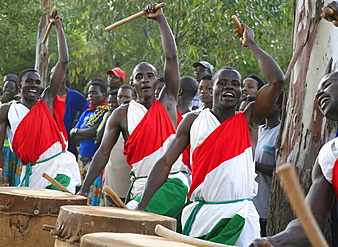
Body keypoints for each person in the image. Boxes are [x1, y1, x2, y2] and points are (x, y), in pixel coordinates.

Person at [135, 21, 285, 246]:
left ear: (240, 92)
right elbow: (166, 162)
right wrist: (142, 205)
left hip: (239, 215)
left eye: (235, 84)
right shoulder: (193, 120)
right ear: (210, 88)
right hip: (201, 215)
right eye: (222, 83)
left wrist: (251, 44)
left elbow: (278, 80)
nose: (229, 88)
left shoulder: (249, 119)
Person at [78, 3, 189, 222]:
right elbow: (102, 153)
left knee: (133, 225)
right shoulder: (121, 114)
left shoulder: (167, 102)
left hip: (173, 184)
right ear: (132, 83)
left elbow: (171, 59)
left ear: (157, 82)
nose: (145, 80)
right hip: (139, 185)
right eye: (139, 77)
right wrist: (84, 189)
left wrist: (160, 19)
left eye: (150, 76)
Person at [250, 3, 338, 245]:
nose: (319, 95)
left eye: (328, 84)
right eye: (317, 90)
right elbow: (306, 224)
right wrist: (273, 242)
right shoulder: (329, 157)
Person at [0, 10, 81, 193]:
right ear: (20, 85)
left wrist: (58, 26)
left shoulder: (46, 101)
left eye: (37, 82)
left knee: (56, 204)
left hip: (58, 166)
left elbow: (64, 61)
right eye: (29, 82)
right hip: (32, 170)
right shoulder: (6, 110)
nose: (34, 86)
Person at [70, 81, 109, 205]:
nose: (90, 95)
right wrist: (79, 132)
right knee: (82, 188)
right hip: (82, 156)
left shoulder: (104, 111)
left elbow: (94, 133)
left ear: (103, 94)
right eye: (89, 93)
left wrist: (78, 132)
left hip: (95, 157)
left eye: (94, 93)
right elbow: (73, 135)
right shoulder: (87, 111)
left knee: (94, 191)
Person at [253, 92, 283, 237]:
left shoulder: (282, 133)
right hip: (250, 206)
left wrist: (255, 166)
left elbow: (283, 172)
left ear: (279, 107)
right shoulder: (257, 130)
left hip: (266, 207)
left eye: (268, 100)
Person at [0, 74, 22, 186]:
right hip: (1, 148)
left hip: (14, 150)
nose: (7, 90)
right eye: (5, 87)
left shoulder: (20, 105)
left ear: (17, 89)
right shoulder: (0, 105)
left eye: (11, 88)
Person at [57, 68, 88, 159]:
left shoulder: (75, 96)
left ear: (66, 76)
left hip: (69, 143)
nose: (55, 75)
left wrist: (78, 124)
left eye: (59, 72)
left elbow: (88, 110)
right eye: (52, 73)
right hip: (49, 142)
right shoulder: (45, 96)